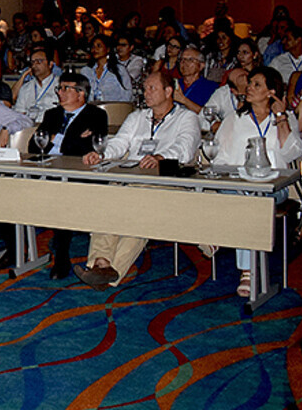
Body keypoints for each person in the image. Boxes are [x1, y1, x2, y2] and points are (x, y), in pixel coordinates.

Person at [75, 72, 201, 290]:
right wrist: (102, 154)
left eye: (152, 88)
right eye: (144, 89)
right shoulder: (137, 117)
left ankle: (105, 268)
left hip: (165, 180)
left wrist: (161, 157)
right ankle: (103, 265)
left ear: (168, 91)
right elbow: (120, 142)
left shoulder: (186, 118)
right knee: (109, 200)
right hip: (131, 176)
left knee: (140, 211)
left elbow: (185, 148)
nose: (146, 93)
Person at [208, 67, 302, 296]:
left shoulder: (285, 118)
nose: (249, 88)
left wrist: (281, 118)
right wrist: (233, 176)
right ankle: (248, 270)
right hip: (240, 184)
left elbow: (292, 153)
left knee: (250, 201)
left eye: (256, 85)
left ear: (271, 91)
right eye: (249, 83)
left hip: (273, 186)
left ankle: (244, 267)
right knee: (245, 201)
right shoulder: (235, 119)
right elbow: (220, 156)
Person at [30, 73, 109, 279]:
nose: (60, 92)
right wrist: (71, 139)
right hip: (46, 169)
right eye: (59, 88)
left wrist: (55, 138)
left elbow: (86, 148)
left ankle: (62, 257)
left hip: (76, 175)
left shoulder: (96, 115)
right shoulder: (51, 114)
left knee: (61, 199)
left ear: (81, 94)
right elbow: (33, 145)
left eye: (66, 88)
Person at [11, 46, 60, 122]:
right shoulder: (26, 87)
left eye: (39, 61)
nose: (34, 65)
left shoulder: (60, 85)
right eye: (32, 62)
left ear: (50, 64)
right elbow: (19, 113)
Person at [80, 35, 132, 102]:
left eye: (99, 46)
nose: (95, 49)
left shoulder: (119, 70)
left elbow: (127, 95)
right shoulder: (86, 71)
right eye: (93, 47)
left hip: (114, 109)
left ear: (108, 49)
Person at [199, 67, 248, 132]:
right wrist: (213, 125)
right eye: (240, 79)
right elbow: (202, 118)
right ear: (233, 91)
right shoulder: (222, 93)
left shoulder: (260, 92)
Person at [172, 46, 218, 113]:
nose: (184, 63)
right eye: (182, 59)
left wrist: (183, 100)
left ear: (201, 65)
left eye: (190, 60)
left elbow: (209, 114)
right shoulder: (174, 83)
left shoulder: (211, 87)